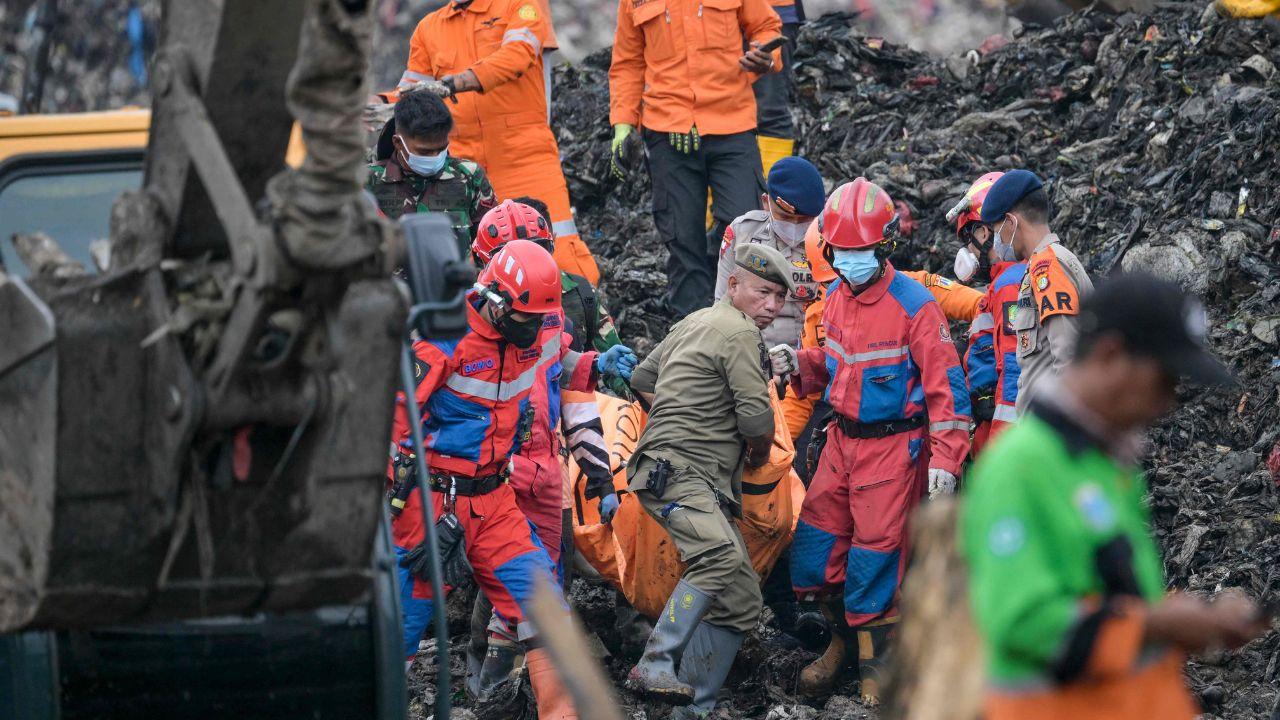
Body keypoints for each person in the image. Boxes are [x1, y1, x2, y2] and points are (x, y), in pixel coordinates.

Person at [962, 273, 1269, 720]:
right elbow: (1023, 622)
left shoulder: (1105, 464)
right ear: (1110, 355)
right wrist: (1158, 623)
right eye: (1164, 379)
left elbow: (1102, 596)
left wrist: (1186, 618)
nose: (1167, 401)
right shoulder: (1021, 468)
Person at [389, 240, 634, 719]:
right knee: (402, 626)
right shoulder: (443, 334)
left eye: (540, 323)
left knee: (547, 611)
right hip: (431, 499)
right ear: (494, 301)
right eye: (523, 322)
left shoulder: (541, 326)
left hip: (496, 498)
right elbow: (394, 416)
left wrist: (593, 364)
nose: (533, 333)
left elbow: (555, 360)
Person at [770, 179, 972, 705]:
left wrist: (946, 462)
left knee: (875, 561)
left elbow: (947, 392)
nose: (850, 261)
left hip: (893, 451)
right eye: (842, 252)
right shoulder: (835, 300)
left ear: (883, 248)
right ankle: (843, 644)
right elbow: (835, 367)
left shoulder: (915, 307)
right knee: (814, 554)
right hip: (841, 444)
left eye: (861, 252)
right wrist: (801, 365)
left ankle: (878, 667)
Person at [623, 243, 796, 715]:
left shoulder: (693, 321)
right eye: (764, 292)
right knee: (719, 558)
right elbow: (758, 422)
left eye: (780, 298)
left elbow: (640, 377)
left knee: (740, 598)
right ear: (734, 285)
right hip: (681, 473)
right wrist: (755, 456)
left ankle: (690, 710)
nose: (773, 306)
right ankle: (656, 659)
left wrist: (678, 414)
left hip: (675, 472)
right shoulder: (740, 333)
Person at [461, 202, 621, 698]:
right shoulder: (454, 333)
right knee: (522, 592)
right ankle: (491, 682)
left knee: (539, 586)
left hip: (544, 470)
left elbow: (573, 399)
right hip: (490, 477)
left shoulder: (552, 322)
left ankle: (499, 689)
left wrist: (599, 476)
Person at [379, 0, 601, 285]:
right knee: (469, 263)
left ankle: (583, 323)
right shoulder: (429, 28)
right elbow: (412, 91)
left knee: (557, 252)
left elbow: (517, 56)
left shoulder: (520, 5)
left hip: (524, 155)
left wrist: (455, 83)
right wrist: (380, 102)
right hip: (464, 166)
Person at [609, 0, 783, 319]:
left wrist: (765, 56)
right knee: (681, 238)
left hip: (732, 122)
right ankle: (690, 333)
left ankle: (736, 321)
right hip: (667, 131)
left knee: (745, 225)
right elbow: (627, 61)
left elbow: (766, 26)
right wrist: (622, 124)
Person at [977, 169, 1093, 415]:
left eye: (996, 229)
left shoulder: (1047, 269)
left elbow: (1070, 361)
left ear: (1011, 222)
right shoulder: (1043, 265)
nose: (997, 240)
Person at [950, 172, 1026, 454]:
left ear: (984, 232)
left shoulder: (1009, 285)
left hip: (1000, 435)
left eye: (968, 238)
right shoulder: (1003, 285)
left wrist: (999, 456)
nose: (968, 249)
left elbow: (1014, 370)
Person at [714, 156, 825, 348]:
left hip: (813, 355)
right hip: (752, 349)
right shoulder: (743, 232)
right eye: (785, 217)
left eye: (804, 220)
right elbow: (722, 305)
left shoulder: (828, 239)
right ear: (766, 203)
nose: (795, 227)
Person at [366, 89, 497, 252]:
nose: (435, 157)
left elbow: (492, 246)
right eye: (425, 152)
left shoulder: (469, 177)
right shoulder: (367, 182)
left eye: (441, 149)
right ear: (398, 143)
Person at [754, 0, 806, 175]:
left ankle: (772, 192)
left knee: (770, 110)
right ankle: (715, 200)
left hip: (774, 13)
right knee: (718, 105)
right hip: (712, 19)